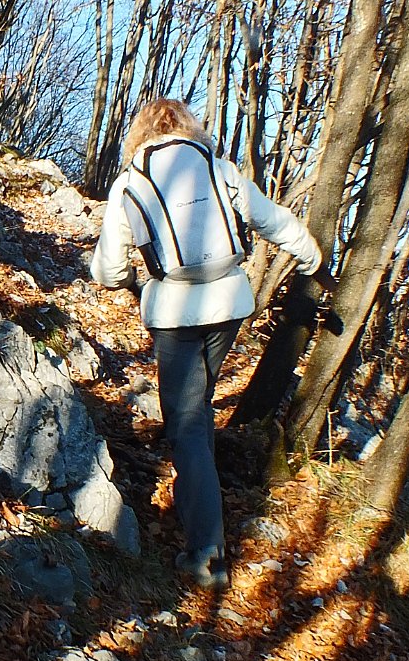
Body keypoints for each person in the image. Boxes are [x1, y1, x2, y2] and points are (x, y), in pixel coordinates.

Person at [90, 98, 334, 591]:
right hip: (229, 303)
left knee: (186, 424)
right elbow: (275, 221)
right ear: (188, 128)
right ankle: (203, 513)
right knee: (195, 407)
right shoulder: (218, 169)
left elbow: (109, 270)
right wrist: (312, 261)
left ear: (141, 133)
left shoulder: (130, 183)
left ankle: (206, 554)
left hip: (174, 313)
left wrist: (134, 285)